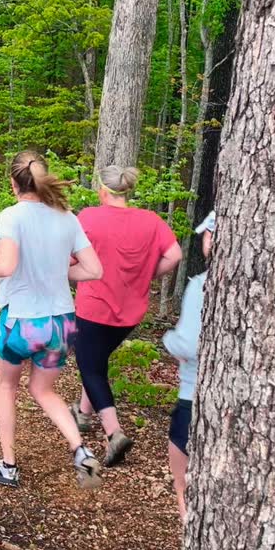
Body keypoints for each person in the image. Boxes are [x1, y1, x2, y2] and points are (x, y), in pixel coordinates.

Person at [0, 150, 104, 489]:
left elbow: (7, 265)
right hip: (61, 323)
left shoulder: (11, 217)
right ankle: (81, 451)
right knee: (44, 389)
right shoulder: (67, 217)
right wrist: (57, 269)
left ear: (14, 184)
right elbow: (94, 270)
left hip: (23, 322)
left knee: (6, 386)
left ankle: (9, 465)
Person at [72, 165, 182, 467]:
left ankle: (114, 434)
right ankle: (83, 414)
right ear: (127, 191)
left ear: (102, 191)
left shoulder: (88, 218)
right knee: (95, 360)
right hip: (130, 312)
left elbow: (70, 257)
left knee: (91, 368)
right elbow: (175, 255)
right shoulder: (151, 220)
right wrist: (146, 276)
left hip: (94, 308)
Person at [163, 210, 215, 522]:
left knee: (183, 480)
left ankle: (192, 547)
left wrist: (169, 340)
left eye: (207, 234)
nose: (203, 240)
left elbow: (188, 344)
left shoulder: (202, 286)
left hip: (194, 396)